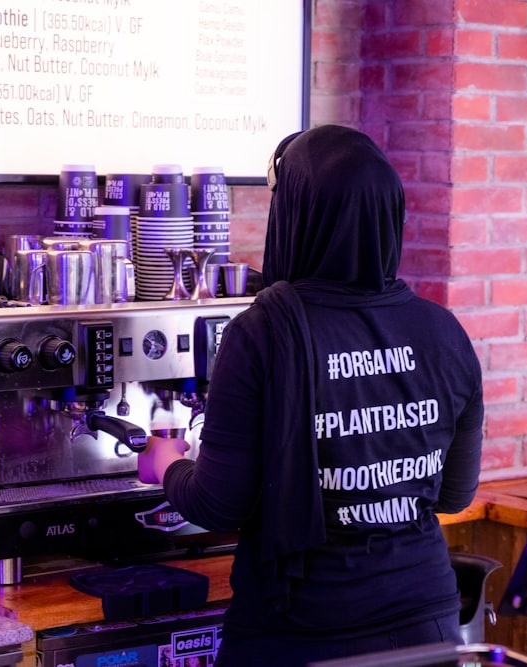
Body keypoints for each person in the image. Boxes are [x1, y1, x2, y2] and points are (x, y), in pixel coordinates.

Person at [138, 124, 484, 666]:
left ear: (294, 214)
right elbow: (453, 495)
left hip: (301, 633)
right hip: (426, 625)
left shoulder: (261, 334)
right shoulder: (444, 331)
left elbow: (216, 504)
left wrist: (167, 465)